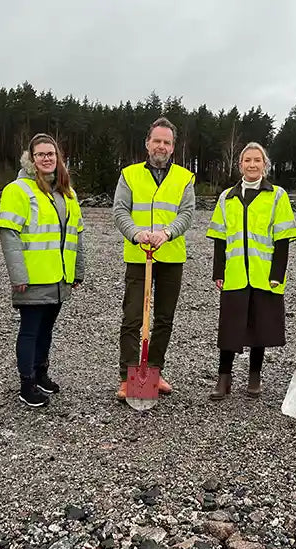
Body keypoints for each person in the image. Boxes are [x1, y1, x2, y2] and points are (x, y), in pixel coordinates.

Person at [0, 134, 85, 407]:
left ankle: (41, 373)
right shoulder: (18, 190)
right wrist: (18, 275)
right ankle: (26, 383)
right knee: (30, 330)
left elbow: (76, 235)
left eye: (51, 154)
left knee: (47, 329)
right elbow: (8, 234)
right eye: (40, 154)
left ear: (58, 158)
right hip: (33, 278)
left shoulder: (67, 192)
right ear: (31, 158)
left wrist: (77, 271)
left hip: (58, 277)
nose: (46, 158)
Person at [206, 142, 296, 399]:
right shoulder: (227, 197)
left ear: (265, 164)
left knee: (260, 326)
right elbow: (219, 239)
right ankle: (224, 378)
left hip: (264, 273)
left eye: (257, 160)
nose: (252, 164)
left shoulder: (277, 196)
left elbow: (282, 239)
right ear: (240, 165)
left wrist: (277, 274)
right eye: (247, 160)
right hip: (235, 273)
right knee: (229, 327)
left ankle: (254, 376)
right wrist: (218, 271)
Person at [112, 117, 195, 400]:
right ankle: (127, 376)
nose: (161, 146)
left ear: (173, 147)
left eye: (167, 142)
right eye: (157, 141)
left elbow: (187, 214)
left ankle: (154, 373)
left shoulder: (185, 178)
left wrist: (167, 232)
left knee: (163, 319)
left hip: (171, 256)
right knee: (133, 317)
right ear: (147, 144)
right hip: (138, 255)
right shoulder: (129, 174)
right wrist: (136, 234)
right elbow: (120, 210)